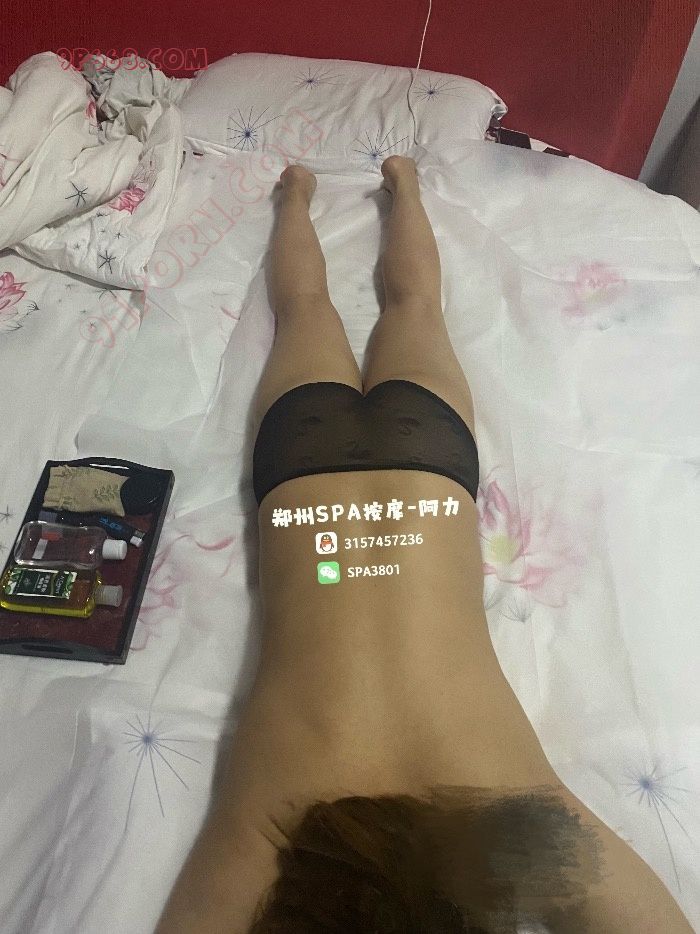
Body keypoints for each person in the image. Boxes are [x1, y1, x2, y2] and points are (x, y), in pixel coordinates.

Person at [154, 156, 693, 933]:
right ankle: (317, 192)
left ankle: (380, 186)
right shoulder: (267, 827)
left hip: (425, 470)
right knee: (314, 311)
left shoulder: (517, 808)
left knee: (406, 309)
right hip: (305, 470)